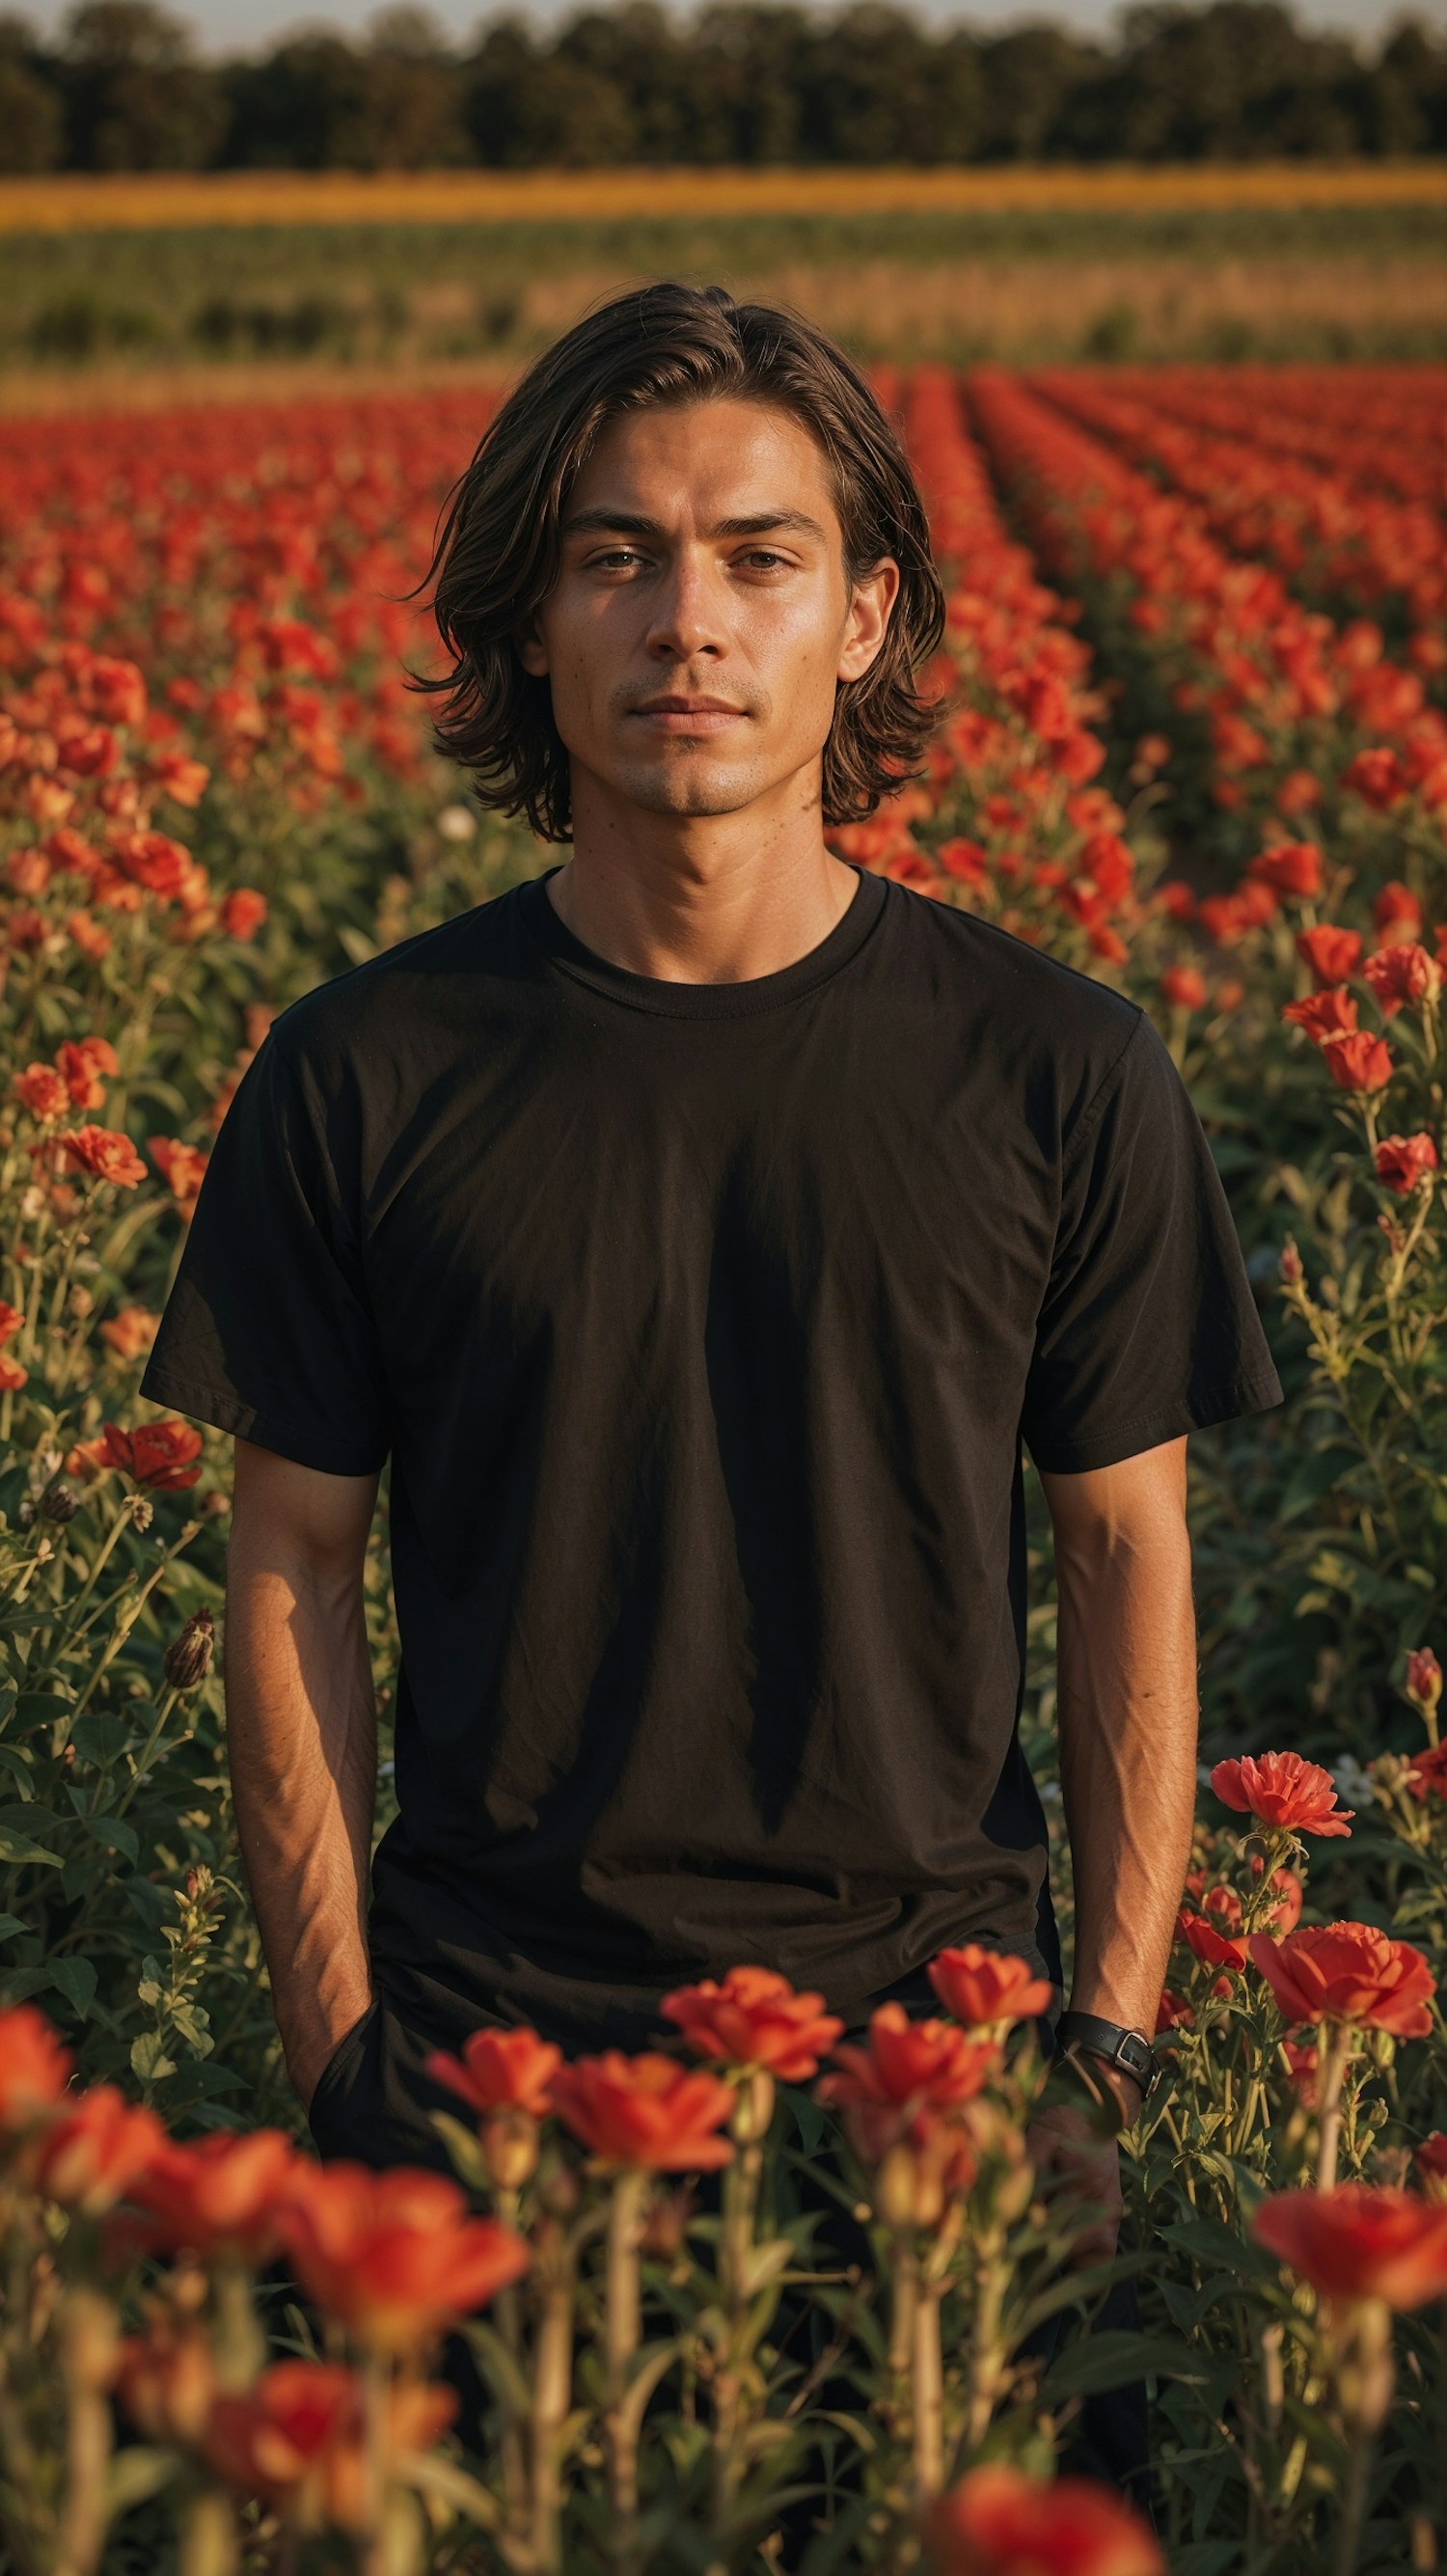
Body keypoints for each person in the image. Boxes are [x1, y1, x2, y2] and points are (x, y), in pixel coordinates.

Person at [138, 282, 1282, 2508]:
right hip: (493, 2078)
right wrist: (348, 2059)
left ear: (864, 616)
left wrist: (1106, 2053)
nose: (689, 621)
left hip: (939, 2079)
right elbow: (288, 1563)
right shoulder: (365, 1075)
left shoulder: (1056, 1069)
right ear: (529, 619)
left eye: (761, 557)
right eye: (618, 557)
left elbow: (1126, 1548)